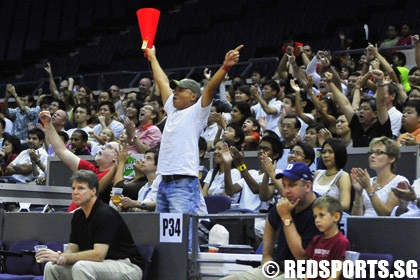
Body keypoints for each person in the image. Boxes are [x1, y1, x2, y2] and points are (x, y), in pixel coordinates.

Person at [145, 44, 242, 251]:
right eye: (176, 89)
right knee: (165, 239)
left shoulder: (197, 113)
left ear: (193, 96)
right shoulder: (172, 109)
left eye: (181, 90)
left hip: (183, 183)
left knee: (184, 239)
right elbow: (161, 81)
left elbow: (211, 88)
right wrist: (152, 57)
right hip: (164, 182)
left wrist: (225, 67)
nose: (175, 92)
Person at [221, 162, 320, 280]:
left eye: (292, 185)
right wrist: (267, 260)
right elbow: (270, 225)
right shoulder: (285, 203)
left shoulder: (320, 211)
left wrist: (286, 217)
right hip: (277, 268)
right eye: (284, 185)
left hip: (303, 273)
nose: (286, 191)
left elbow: (301, 257)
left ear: (308, 186)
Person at [37, 170, 143, 280]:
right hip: (100, 265)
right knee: (52, 266)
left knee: (81, 267)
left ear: (93, 191)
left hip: (127, 266)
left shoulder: (105, 214)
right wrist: (61, 258)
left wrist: (65, 257)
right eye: (73, 188)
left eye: (81, 188)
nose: (75, 192)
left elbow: (98, 255)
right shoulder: (78, 215)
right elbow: (73, 247)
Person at [38, 110, 119, 209]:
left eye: (109, 147)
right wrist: (48, 123)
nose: (102, 147)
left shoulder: (115, 179)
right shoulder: (90, 170)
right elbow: (62, 151)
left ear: (116, 158)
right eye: (104, 146)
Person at [327, 70, 392, 147]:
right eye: (360, 108)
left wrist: (380, 82)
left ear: (375, 114)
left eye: (365, 109)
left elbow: (381, 104)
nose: (361, 111)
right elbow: (345, 104)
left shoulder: (382, 126)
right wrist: (330, 83)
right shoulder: (356, 124)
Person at [351, 136, 409, 216]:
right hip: (363, 226)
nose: (372, 156)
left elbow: (386, 215)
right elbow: (355, 218)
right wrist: (358, 192)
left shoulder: (399, 181)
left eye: (378, 153)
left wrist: (368, 188)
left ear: (391, 158)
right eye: (371, 152)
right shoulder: (369, 181)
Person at [304, 196, 351, 280]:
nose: (317, 220)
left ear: (336, 217)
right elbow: (309, 270)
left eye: (321, 215)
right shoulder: (315, 240)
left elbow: (335, 276)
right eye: (315, 216)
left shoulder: (341, 242)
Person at [313, 139, 351, 211]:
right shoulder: (317, 173)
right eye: (324, 152)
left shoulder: (343, 176)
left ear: (339, 154)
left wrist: (322, 206)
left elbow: (345, 204)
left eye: (330, 152)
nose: (326, 155)